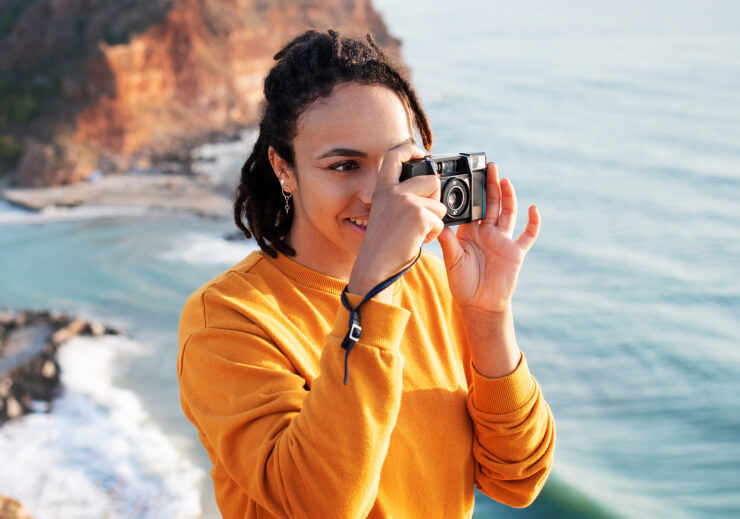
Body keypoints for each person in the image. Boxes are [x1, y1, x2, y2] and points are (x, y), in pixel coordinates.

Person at [177, 29, 555, 519]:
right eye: (345, 166)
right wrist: (373, 290)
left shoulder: (435, 285)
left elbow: (519, 477)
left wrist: (488, 316)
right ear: (284, 168)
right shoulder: (228, 320)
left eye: (395, 163)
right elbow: (320, 504)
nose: (380, 195)